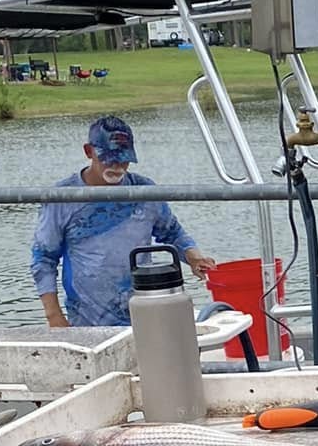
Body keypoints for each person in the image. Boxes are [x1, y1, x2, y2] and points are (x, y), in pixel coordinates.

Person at [30, 114, 214, 329]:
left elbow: (172, 232)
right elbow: (43, 258)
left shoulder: (144, 191)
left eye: (124, 158)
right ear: (89, 152)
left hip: (145, 310)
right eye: (109, 157)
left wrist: (193, 257)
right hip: (88, 320)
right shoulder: (61, 198)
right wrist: (54, 317)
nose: (117, 166)